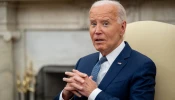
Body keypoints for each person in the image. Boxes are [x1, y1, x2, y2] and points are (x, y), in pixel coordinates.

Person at [54, 0, 156, 100]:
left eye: (105, 24)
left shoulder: (141, 66)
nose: (97, 31)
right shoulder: (83, 62)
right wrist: (64, 95)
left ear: (122, 28)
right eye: (93, 24)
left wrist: (94, 93)